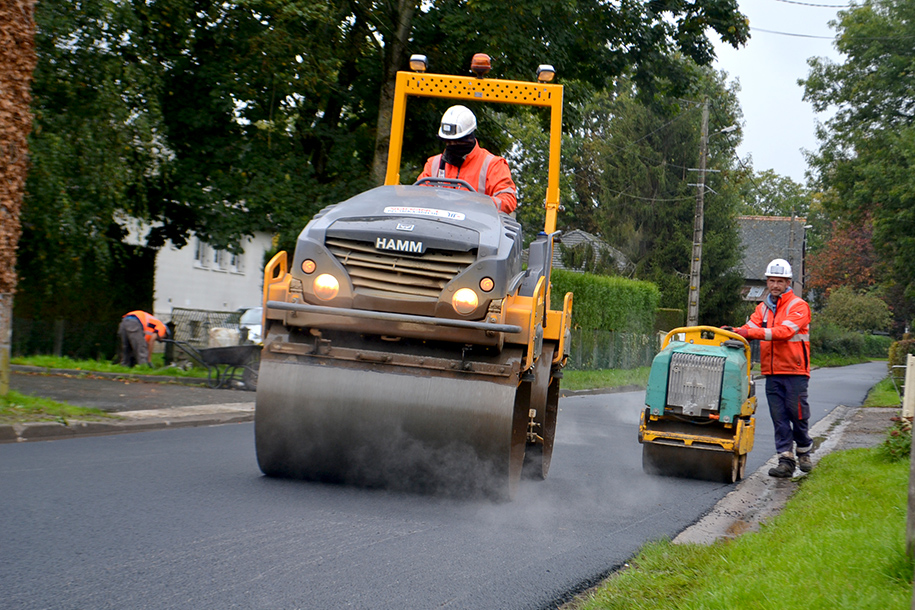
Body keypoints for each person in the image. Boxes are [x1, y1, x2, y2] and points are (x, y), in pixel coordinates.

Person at [726, 258, 813, 478]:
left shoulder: (799, 306)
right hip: (772, 372)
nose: (775, 285)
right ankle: (785, 460)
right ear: (767, 281)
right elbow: (750, 328)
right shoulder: (763, 308)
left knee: (797, 414)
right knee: (779, 417)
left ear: (788, 282)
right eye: (771, 281)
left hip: (795, 370)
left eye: (780, 281)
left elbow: (784, 332)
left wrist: (749, 333)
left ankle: (803, 450)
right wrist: (733, 331)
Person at [417, 105, 518, 214]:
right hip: (437, 226)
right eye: (448, 142)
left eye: (457, 141)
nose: (452, 145)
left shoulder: (493, 165)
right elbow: (418, 195)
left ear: (469, 137)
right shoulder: (434, 164)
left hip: (476, 227)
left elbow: (507, 200)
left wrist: (478, 204)